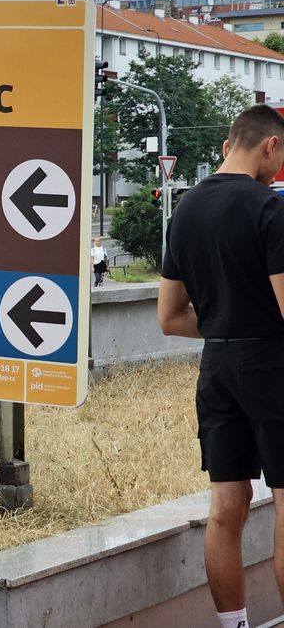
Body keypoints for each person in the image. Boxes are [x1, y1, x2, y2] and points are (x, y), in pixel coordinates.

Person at [158, 104, 284, 628]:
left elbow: (170, 318)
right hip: (273, 366)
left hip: (216, 368)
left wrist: (223, 320)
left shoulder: (184, 209)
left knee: (225, 508)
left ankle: (234, 624)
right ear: (270, 146)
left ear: (228, 143)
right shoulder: (270, 209)